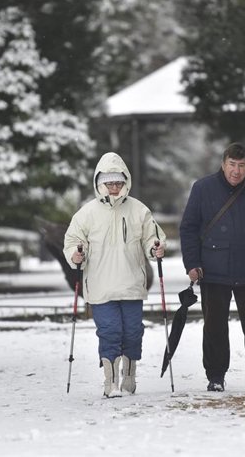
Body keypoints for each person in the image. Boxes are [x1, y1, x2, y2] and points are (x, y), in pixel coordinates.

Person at [180, 142, 245, 392]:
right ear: (223, 164)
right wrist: (192, 263)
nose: (236, 171)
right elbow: (188, 228)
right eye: (232, 165)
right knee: (215, 324)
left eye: (242, 166)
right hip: (213, 271)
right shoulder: (203, 188)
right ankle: (215, 375)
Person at [63, 152, 166, 398]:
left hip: (131, 284)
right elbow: (73, 241)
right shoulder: (86, 213)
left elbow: (151, 237)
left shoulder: (139, 210)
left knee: (133, 331)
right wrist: (76, 254)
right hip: (100, 287)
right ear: (100, 183)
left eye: (118, 182)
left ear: (125, 182)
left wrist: (155, 247)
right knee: (109, 332)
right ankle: (110, 383)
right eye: (109, 183)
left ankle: (129, 376)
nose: (114, 187)